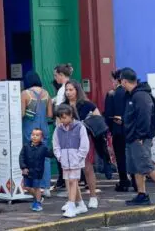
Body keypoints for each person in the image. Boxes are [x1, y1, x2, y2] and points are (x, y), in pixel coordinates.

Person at [118, 68, 155, 206]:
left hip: (139, 138)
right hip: (132, 137)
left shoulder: (140, 96)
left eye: (120, 81)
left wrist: (141, 135)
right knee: (136, 167)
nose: (120, 84)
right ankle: (142, 194)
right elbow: (135, 116)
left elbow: (145, 116)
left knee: (146, 165)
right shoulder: (131, 95)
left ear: (124, 81)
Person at [64, 79, 108, 209]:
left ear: (77, 90)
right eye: (66, 90)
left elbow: (99, 121)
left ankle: (93, 196)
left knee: (87, 168)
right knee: (70, 171)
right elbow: (58, 123)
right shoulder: (63, 105)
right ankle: (74, 200)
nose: (68, 92)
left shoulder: (87, 105)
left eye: (71, 89)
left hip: (84, 140)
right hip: (68, 141)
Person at [52, 104, 90, 218]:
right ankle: (81, 204)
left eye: (64, 117)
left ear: (71, 115)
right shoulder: (58, 129)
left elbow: (84, 144)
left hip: (76, 160)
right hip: (64, 160)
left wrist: (79, 157)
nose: (62, 120)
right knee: (70, 182)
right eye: (60, 118)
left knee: (73, 181)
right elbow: (56, 144)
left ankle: (72, 204)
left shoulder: (80, 127)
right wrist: (59, 157)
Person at [21, 71, 54, 197]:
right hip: (44, 128)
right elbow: (50, 115)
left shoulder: (25, 94)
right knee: (44, 157)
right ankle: (46, 188)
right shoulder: (46, 93)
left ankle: (33, 187)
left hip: (30, 130)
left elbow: (22, 113)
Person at [104, 70, 136, 192]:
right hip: (131, 130)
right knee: (132, 156)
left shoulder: (112, 94)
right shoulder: (131, 93)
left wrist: (109, 131)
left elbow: (108, 114)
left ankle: (124, 181)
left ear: (118, 80)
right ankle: (135, 180)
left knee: (121, 157)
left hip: (118, 130)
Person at [19, 127, 54, 212]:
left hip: (37, 171)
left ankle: (37, 202)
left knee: (36, 187)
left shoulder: (43, 148)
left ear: (41, 138)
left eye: (37, 135)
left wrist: (54, 146)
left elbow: (51, 154)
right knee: (26, 187)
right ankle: (39, 198)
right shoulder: (26, 146)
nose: (34, 136)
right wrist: (23, 167)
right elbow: (21, 157)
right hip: (27, 171)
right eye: (33, 134)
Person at [51, 64, 74, 193]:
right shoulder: (70, 87)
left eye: (55, 75)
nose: (55, 78)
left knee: (62, 154)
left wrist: (59, 128)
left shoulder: (63, 89)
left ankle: (65, 182)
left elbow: (60, 110)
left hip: (62, 126)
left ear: (61, 75)